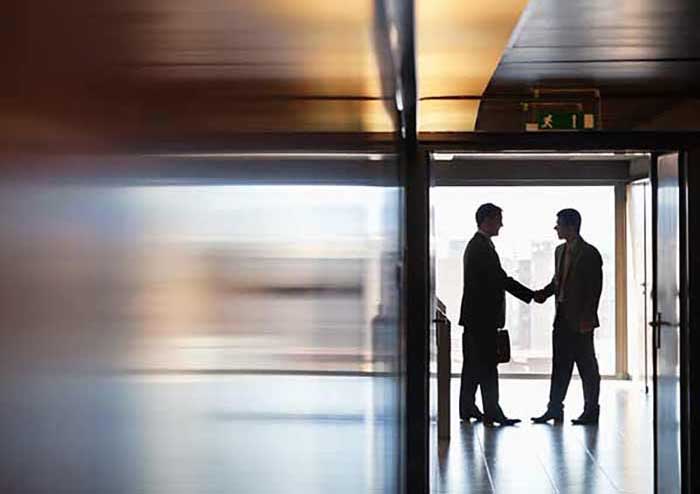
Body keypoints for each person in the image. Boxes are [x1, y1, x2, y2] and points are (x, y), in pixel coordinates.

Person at [459, 203, 534, 426]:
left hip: (475, 319)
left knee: (473, 365)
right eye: (498, 219)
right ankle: (492, 411)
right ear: (487, 220)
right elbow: (500, 279)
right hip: (482, 320)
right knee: (488, 367)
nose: (501, 224)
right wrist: (530, 295)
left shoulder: (479, 245)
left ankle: (468, 407)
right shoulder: (481, 247)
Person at [531, 208, 603, 425]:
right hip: (561, 318)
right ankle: (554, 409)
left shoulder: (590, 253)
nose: (556, 228)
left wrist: (587, 318)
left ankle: (591, 410)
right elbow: (558, 281)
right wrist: (542, 294)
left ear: (571, 227)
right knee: (560, 365)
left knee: (587, 367)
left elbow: (594, 289)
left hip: (581, 321)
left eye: (559, 224)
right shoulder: (559, 251)